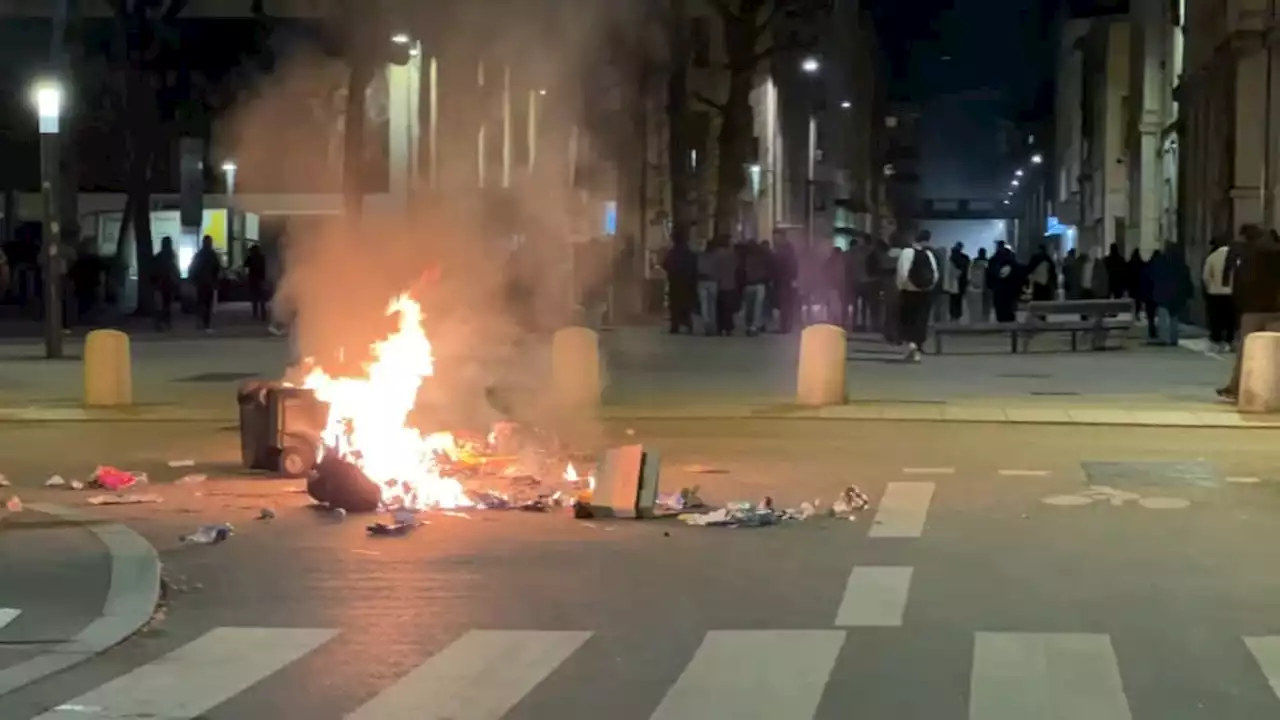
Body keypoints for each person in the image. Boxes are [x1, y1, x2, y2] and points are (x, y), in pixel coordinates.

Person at [1219, 225, 1280, 401]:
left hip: (1252, 309)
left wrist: (1239, 305)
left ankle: (1237, 386)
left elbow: (1239, 284)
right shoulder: (1270, 255)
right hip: (1273, 309)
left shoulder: (1249, 257)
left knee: (1246, 350)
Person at [895, 230, 939, 362]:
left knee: (908, 319)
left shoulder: (906, 252)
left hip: (909, 292)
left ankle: (911, 345)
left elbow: (902, 273)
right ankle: (918, 347)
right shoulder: (929, 254)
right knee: (921, 320)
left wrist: (902, 287)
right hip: (925, 293)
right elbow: (935, 274)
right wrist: (928, 287)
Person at [1149, 243, 1192, 346]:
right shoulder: (1181, 264)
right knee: (1174, 317)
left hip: (1162, 293)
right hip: (1177, 295)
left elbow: (1152, 277)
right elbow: (1186, 280)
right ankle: (1173, 338)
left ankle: (1164, 338)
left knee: (1163, 316)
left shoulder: (1160, 263)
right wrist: (1188, 294)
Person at [1201, 233, 1236, 353]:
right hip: (1232, 293)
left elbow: (1206, 276)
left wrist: (1210, 286)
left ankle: (1217, 341)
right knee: (1230, 319)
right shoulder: (1234, 256)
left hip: (1215, 293)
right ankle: (1229, 341)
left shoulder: (1211, 257)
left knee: (1216, 319)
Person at [661, 240, 698, 334]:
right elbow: (694, 267)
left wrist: (672, 271)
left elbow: (664, 264)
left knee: (674, 305)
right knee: (686, 304)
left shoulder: (672, 252)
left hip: (674, 282)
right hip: (687, 282)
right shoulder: (689, 254)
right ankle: (687, 325)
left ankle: (675, 326)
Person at [188, 235, 223, 332]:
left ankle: (200, 322)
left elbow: (193, 268)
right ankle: (206, 323)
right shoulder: (212, 255)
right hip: (209, 283)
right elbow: (217, 268)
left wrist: (193, 280)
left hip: (201, 283)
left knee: (201, 302)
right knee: (207, 304)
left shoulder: (199, 254)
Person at [709, 236, 739, 336]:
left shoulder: (716, 254)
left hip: (718, 283)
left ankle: (720, 327)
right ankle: (728, 327)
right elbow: (737, 265)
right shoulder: (732, 254)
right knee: (728, 308)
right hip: (730, 283)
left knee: (720, 307)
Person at [741, 241, 770, 335]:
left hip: (748, 285)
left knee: (749, 307)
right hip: (760, 284)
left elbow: (742, 272)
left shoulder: (745, 259)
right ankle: (755, 326)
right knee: (758, 307)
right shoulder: (763, 258)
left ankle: (750, 325)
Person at [987, 242, 1020, 322]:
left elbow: (990, 274)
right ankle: (1009, 324)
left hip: (998, 288)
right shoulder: (1011, 259)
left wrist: (990, 285)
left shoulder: (993, 259)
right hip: (1009, 288)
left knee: (1000, 307)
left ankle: (1002, 323)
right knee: (1009, 307)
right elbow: (1017, 274)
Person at [152, 236, 180, 331]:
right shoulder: (171, 255)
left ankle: (160, 323)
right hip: (168, 283)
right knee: (167, 304)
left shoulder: (159, 256)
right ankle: (166, 322)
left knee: (161, 304)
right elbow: (174, 269)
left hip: (161, 283)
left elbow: (155, 270)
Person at [696, 241, 719, 335]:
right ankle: (712, 326)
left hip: (702, 281)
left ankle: (706, 325)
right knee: (712, 305)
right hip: (713, 281)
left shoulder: (701, 256)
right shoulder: (716, 257)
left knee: (704, 304)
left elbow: (698, 267)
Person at [944, 242, 970, 322]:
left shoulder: (951, 258)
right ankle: (957, 315)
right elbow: (966, 269)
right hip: (962, 281)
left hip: (953, 282)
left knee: (953, 300)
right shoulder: (965, 258)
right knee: (959, 299)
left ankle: (953, 315)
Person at [245, 244, 269, 322]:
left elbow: (245, 264)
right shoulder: (262, 257)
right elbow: (264, 269)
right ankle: (263, 314)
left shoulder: (251, 257)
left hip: (253, 279)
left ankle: (255, 314)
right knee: (262, 298)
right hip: (260, 279)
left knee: (254, 298)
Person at [968, 247, 989, 323]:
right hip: (984, 285)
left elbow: (971, 273)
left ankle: (978, 318)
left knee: (979, 304)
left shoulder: (975, 262)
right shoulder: (987, 261)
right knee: (984, 303)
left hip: (978, 285)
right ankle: (984, 318)